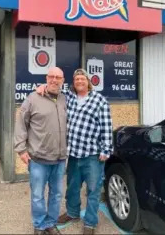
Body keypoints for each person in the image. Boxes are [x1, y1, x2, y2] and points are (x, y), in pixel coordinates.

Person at [37, 68, 113, 235]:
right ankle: (72, 213)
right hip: (73, 154)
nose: (79, 81)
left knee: (93, 190)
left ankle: (90, 223)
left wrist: (106, 149)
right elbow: (55, 85)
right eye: (77, 79)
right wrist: (43, 86)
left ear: (88, 82)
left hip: (93, 155)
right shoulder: (69, 97)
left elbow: (106, 127)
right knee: (72, 187)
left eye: (82, 79)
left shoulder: (99, 100)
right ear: (74, 82)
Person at [14, 67, 67, 235]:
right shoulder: (33, 98)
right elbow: (21, 124)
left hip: (59, 159)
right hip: (38, 159)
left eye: (58, 77)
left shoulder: (65, 99)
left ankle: (50, 224)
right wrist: (21, 149)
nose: (54, 80)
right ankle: (38, 225)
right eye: (51, 76)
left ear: (62, 81)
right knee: (37, 195)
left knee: (56, 195)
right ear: (46, 78)